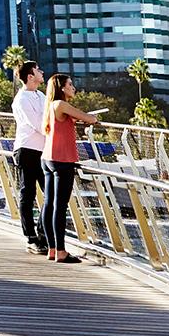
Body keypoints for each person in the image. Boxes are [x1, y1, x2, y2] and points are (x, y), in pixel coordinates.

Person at [41, 74, 104, 264]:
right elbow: (88, 117)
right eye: (70, 84)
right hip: (62, 161)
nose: (73, 88)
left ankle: (52, 249)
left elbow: (70, 121)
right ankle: (61, 251)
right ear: (61, 88)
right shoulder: (61, 104)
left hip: (48, 158)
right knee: (59, 207)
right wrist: (92, 119)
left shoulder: (52, 106)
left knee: (49, 204)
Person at [10, 60, 49, 254]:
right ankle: (31, 237)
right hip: (26, 150)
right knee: (28, 194)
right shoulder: (22, 99)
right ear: (30, 77)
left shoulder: (41, 95)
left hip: (43, 151)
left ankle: (43, 234)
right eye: (38, 70)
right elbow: (39, 125)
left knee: (51, 194)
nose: (42, 72)